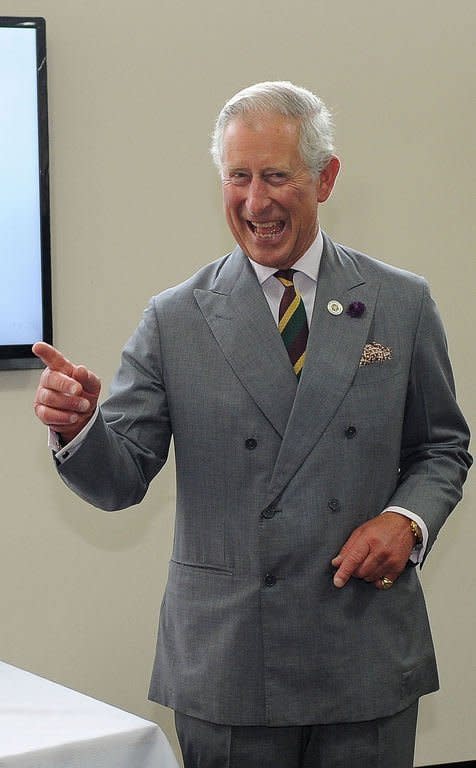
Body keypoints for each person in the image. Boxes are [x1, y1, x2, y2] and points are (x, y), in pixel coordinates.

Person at [33, 81, 471, 768]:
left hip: (362, 653)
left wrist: (406, 521)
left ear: (325, 179)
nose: (256, 201)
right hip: (229, 663)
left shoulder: (400, 303)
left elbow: (442, 447)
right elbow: (120, 479)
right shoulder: (175, 318)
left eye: (276, 176)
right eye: (238, 177)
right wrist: (82, 427)